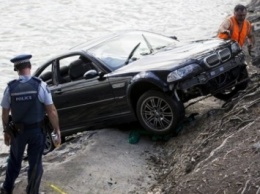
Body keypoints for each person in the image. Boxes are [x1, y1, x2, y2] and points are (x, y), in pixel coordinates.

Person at [0, 54, 61, 194]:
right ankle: (32, 191)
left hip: (17, 133)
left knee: (14, 161)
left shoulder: (10, 88)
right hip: (36, 132)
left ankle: (7, 189)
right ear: (30, 66)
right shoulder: (40, 85)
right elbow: (51, 110)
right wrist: (57, 130)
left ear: (16, 69)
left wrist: (5, 131)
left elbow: (4, 113)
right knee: (35, 164)